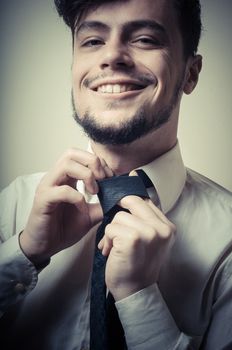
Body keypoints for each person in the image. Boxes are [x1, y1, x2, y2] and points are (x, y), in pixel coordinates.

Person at [0, 0, 232, 349]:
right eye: (93, 41)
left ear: (191, 73)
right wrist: (23, 253)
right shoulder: (14, 204)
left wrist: (139, 299)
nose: (112, 57)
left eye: (144, 39)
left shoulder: (228, 242)